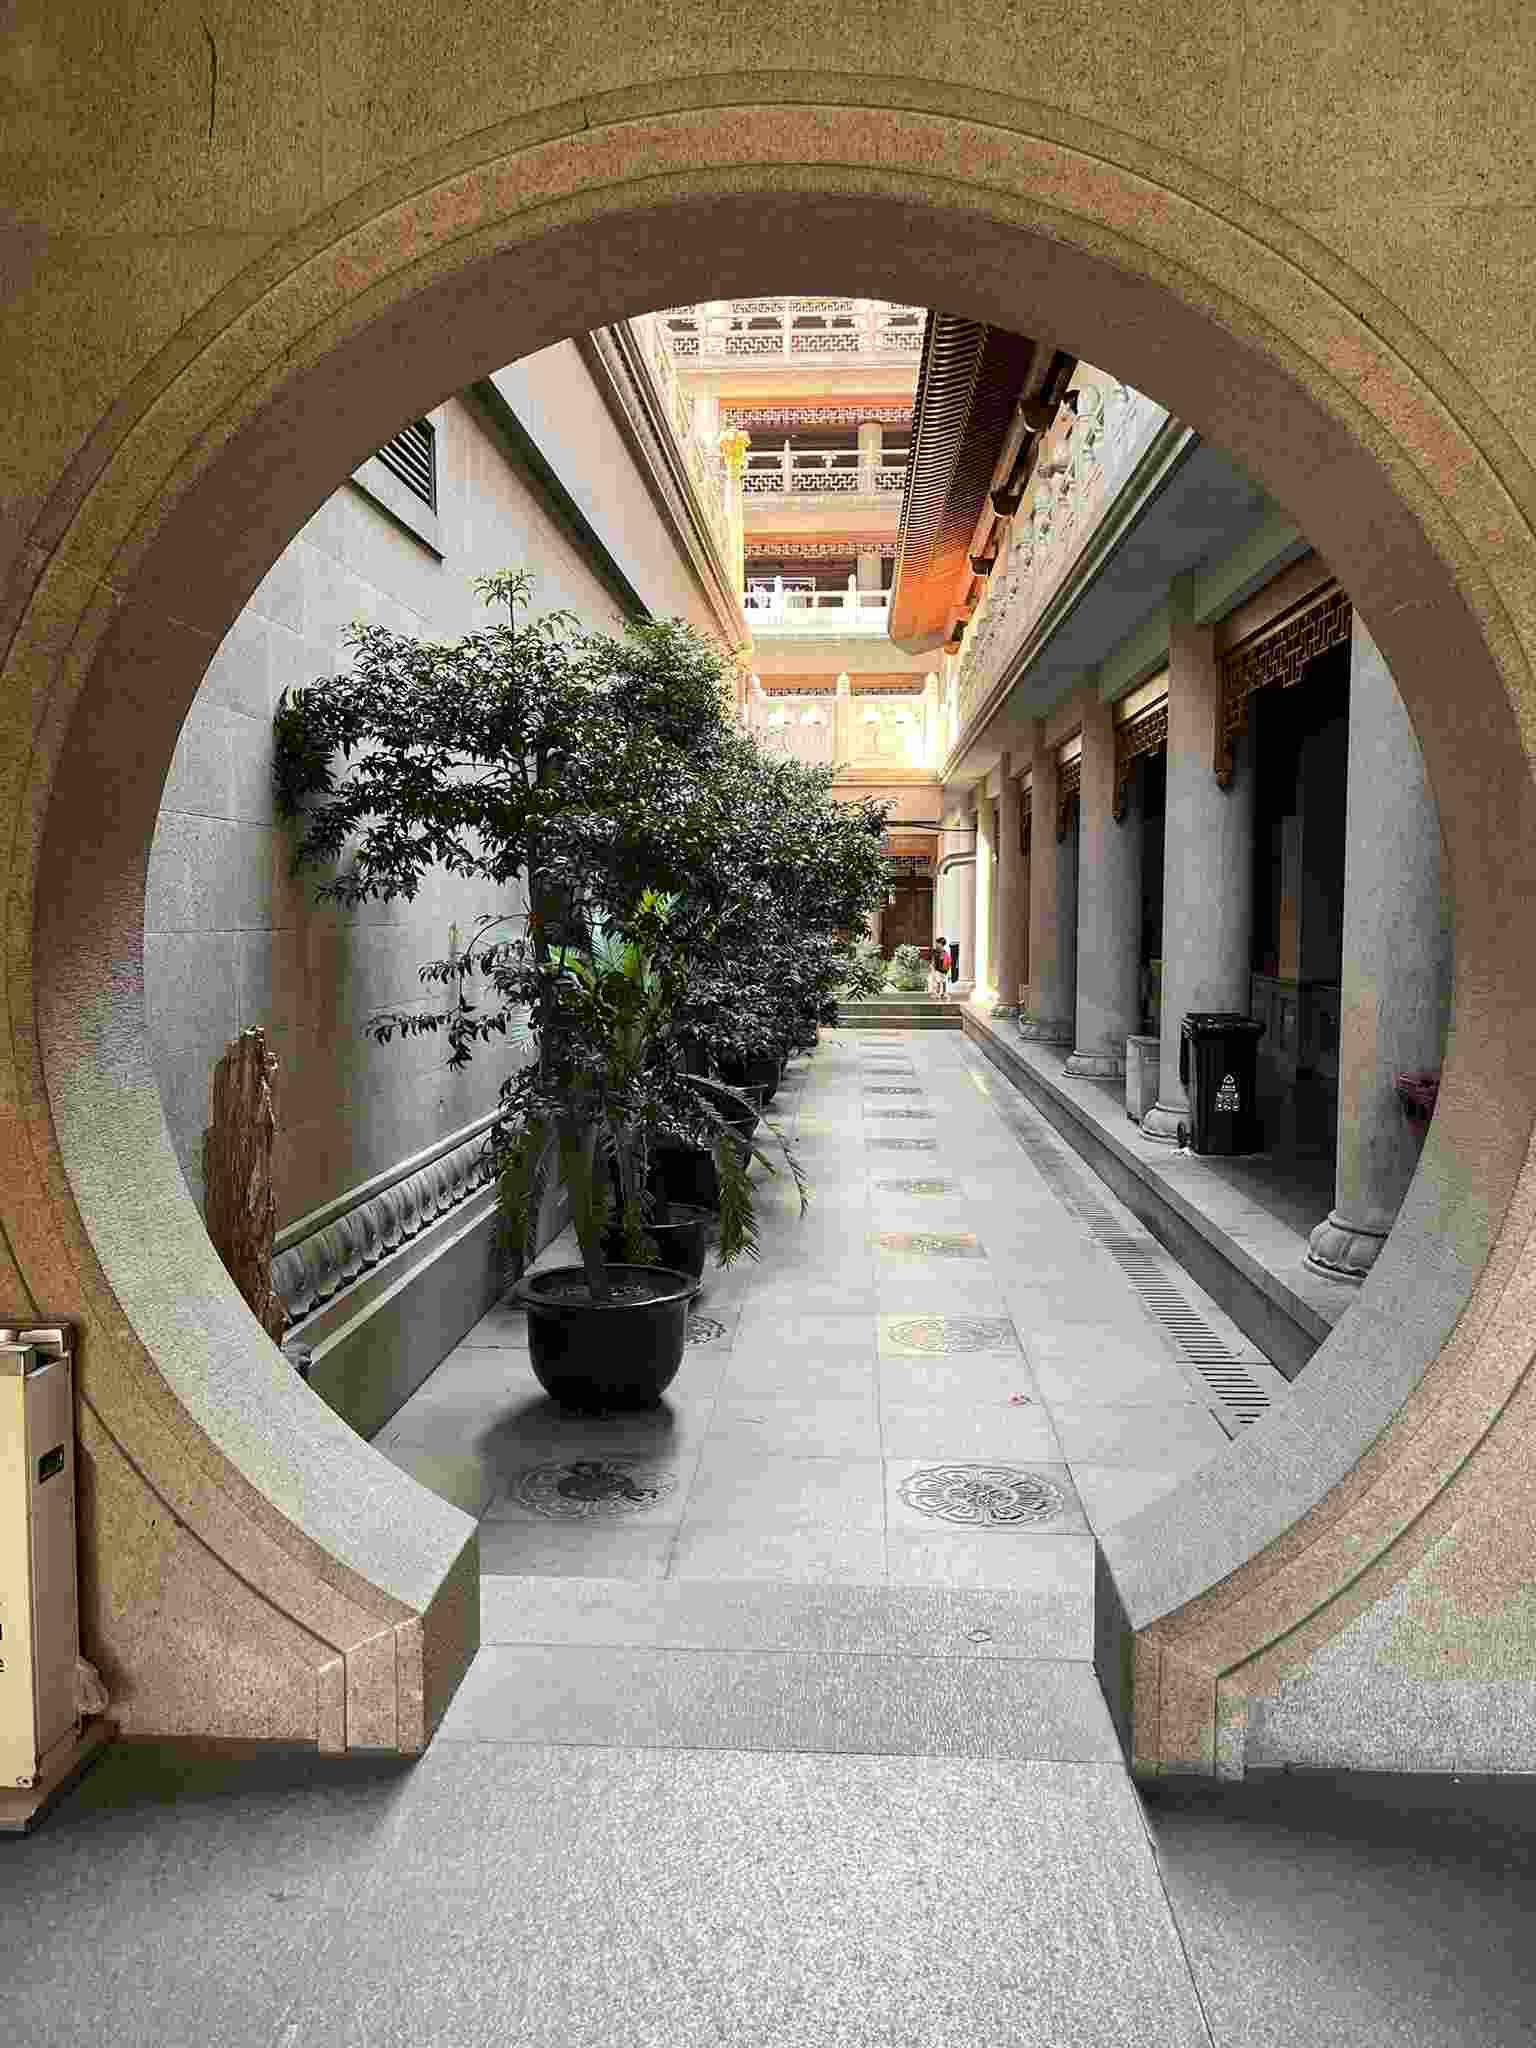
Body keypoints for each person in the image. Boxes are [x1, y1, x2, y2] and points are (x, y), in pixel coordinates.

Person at [929, 933, 950, 999]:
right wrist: (932, 965)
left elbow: (947, 962)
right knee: (938, 981)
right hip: (938, 970)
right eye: (936, 943)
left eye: (937, 943)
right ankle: (939, 993)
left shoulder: (944, 953)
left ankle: (943, 993)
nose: (936, 945)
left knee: (943, 982)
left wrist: (947, 969)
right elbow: (933, 960)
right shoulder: (936, 952)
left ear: (941, 944)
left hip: (942, 970)